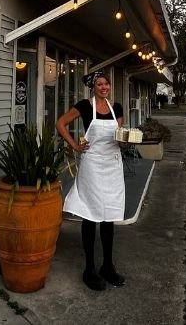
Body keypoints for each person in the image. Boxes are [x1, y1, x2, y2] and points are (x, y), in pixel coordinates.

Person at [57, 71, 126, 291]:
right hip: (93, 166)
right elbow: (61, 123)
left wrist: (126, 142)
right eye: (99, 84)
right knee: (90, 214)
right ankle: (89, 268)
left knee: (109, 216)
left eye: (106, 83)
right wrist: (75, 146)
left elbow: (120, 136)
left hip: (113, 165)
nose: (104, 87)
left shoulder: (117, 108)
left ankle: (107, 265)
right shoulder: (85, 106)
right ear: (93, 87)